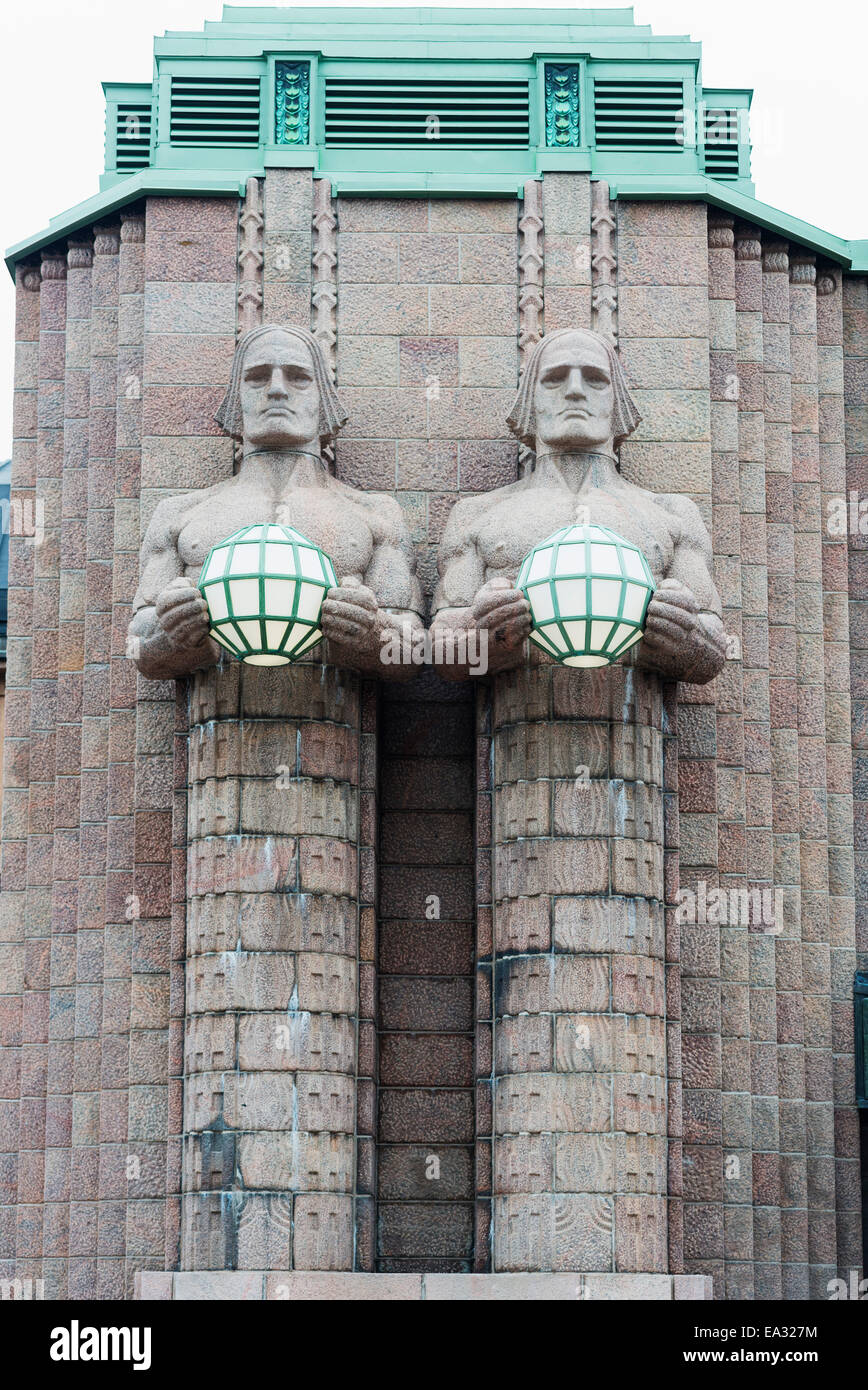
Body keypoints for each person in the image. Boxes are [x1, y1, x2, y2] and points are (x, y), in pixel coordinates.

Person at [430, 327, 726, 684]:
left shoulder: (672, 515)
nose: (574, 391)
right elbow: (440, 653)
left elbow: (713, 652)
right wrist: (484, 634)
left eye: (595, 380)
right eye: (554, 379)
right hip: (508, 723)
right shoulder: (476, 515)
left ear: (618, 401)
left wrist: (686, 636)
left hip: (641, 727)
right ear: (530, 400)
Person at [128, 323, 423, 680]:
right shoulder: (180, 514)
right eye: (257, 377)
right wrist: (171, 634)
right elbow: (139, 648)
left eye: (298, 377)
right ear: (236, 396)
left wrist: (371, 633)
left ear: (323, 397)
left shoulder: (375, 515)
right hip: (209, 722)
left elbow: (414, 654)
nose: (277, 390)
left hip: (338, 722)